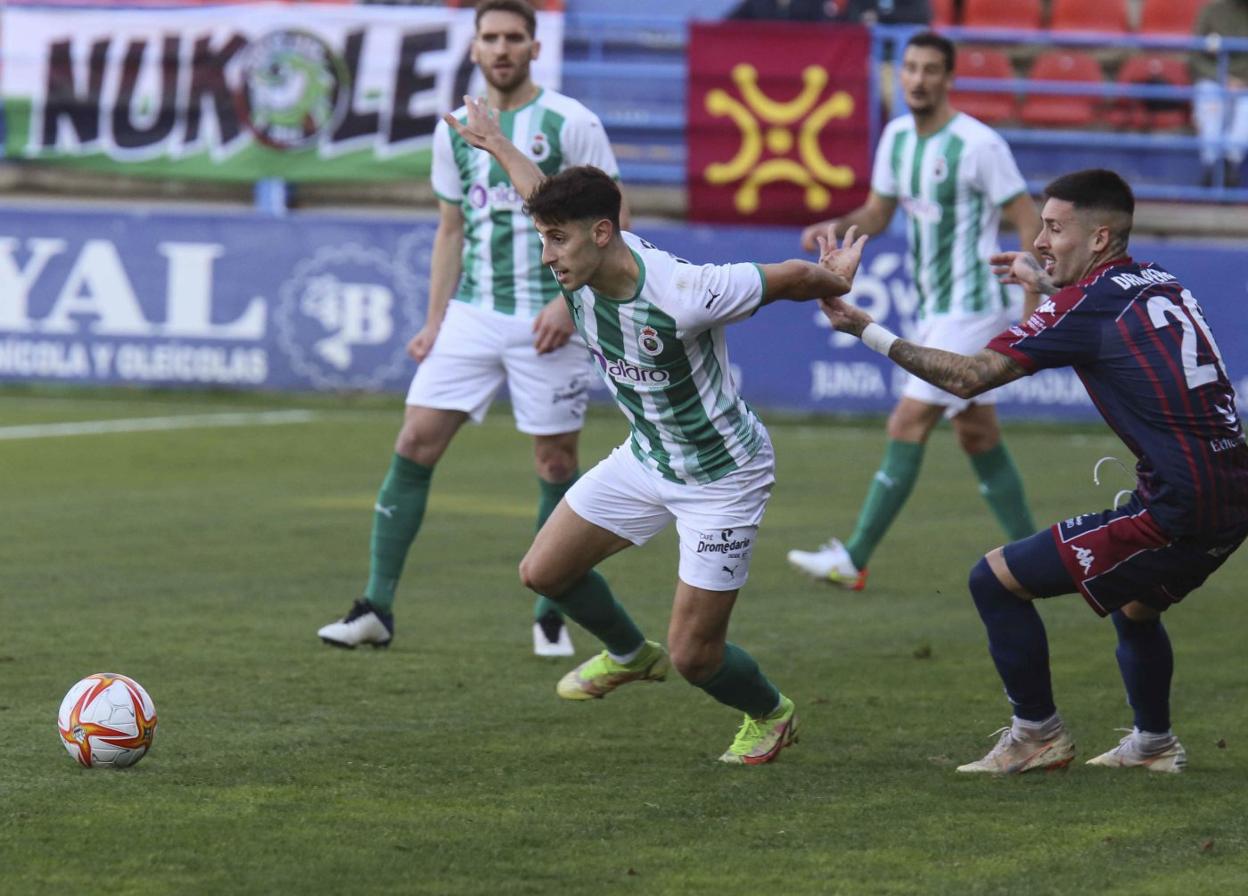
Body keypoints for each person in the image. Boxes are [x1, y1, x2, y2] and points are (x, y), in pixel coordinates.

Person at [445, 94, 868, 763]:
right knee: (543, 571)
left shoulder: (684, 291)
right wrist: (496, 143)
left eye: (558, 240)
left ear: (602, 234)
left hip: (723, 477)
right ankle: (627, 653)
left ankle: (771, 713)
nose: (547, 255)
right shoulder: (577, 255)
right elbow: (536, 195)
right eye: (545, 238)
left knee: (696, 658)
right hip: (647, 460)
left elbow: (782, 277)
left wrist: (829, 278)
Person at [820, 168, 1248, 774]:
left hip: (1181, 501)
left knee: (993, 580)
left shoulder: (1085, 304)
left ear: (1099, 238)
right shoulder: (1157, 282)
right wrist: (1043, 286)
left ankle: (1037, 734)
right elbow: (1092, 321)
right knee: (1136, 607)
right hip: (1230, 488)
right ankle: (1154, 744)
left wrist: (864, 327)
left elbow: (969, 377)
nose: (1040, 240)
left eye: (1053, 228)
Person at [317, 0, 628, 657]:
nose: (502, 48)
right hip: (475, 313)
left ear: (535, 48)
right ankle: (376, 607)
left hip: (551, 318)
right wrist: (434, 322)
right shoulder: (453, 128)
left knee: (554, 461)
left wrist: (565, 304)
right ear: (475, 47)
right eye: (490, 37)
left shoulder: (572, 122)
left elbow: (611, 223)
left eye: (515, 37)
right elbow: (451, 228)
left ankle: (551, 611)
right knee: (415, 441)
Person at [787, 30, 1041, 591]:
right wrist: (836, 226)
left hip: (973, 304)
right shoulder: (897, 137)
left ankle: (853, 557)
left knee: (907, 421)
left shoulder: (979, 145)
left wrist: (1032, 310)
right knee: (977, 434)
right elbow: (878, 213)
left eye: (931, 70)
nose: (919, 80)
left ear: (949, 79)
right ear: (899, 75)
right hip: (934, 305)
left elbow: (1028, 221)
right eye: (911, 69)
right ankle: (1041, 558)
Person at [1191, 0, 1248, 188]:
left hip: (1246, 85)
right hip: (1214, 80)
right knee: (1209, 98)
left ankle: (1231, 165)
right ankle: (1213, 165)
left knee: (1246, 109)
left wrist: (1242, 81)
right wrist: (1223, 78)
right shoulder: (1211, 11)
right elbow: (1195, 57)